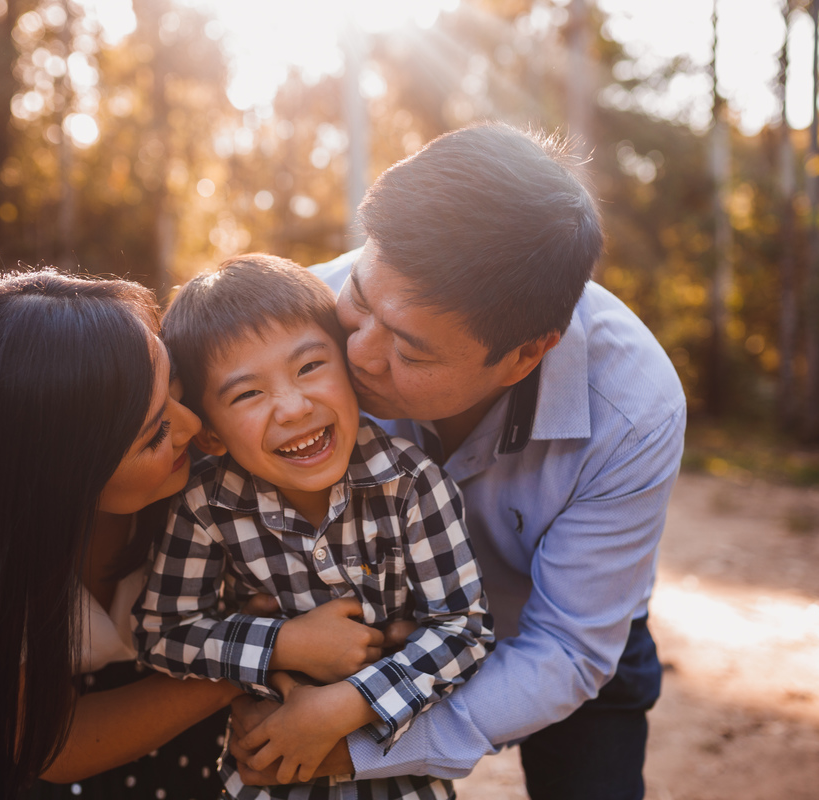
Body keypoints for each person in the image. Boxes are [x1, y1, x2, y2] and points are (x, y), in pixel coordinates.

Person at [229, 123, 687, 800]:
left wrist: (357, 746)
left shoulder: (632, 408)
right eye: (361, 298)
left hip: (556, 626)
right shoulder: (301, 319)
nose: (356, 355)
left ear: (528, 353)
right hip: (368, 627)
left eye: (411, 353)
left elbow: (566, 649)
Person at [133, 254, 495, 800]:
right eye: (248, 394)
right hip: (266, 782)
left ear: (350, 368)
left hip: (397, 781)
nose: (293, 406)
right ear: (209, 434)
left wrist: (348, 702)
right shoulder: (205, 505)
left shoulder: (413, 485)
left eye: (309, 367)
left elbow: (463, 630)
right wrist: (283, 645)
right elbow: (162, 632)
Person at [0, 269, 238, 800]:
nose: (190, 425)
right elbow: (42, 742)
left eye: (174, 381)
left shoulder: (219, 438)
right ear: (63, 478)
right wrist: (250, 667)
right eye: (155, 431)